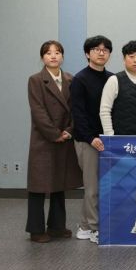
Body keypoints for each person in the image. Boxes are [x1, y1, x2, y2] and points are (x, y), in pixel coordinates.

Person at [26, 40, 83, 243]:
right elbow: (38, 112)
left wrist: (69, 131)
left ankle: (57, 227)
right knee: (38, 186)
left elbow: (76, 108)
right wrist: (54, 133)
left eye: (57, 52)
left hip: (64, 138)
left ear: (62, 56)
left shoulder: (70, 79)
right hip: (43, 140)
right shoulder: (35, 80)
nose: (53, 56)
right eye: (48, 53)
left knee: (60, 183)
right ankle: (36, 230)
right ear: (42, 57)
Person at [70, 35, 113, 244]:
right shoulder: (79, 79)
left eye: (105, 50)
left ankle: (85, 226)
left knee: (102, 186)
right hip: (87, 141)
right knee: (93, 187)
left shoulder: (112, 78)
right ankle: (95, 228)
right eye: (96, 49)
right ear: (87, 54)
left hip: (108, 140)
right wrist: (90, 138)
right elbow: (77, 114)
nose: (101, 53)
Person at [99, 40, 136, 136]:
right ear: (124, 59)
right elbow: (105, 111)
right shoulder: (114, 80)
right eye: (131, 56)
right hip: (120, 139)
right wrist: (110, 136)